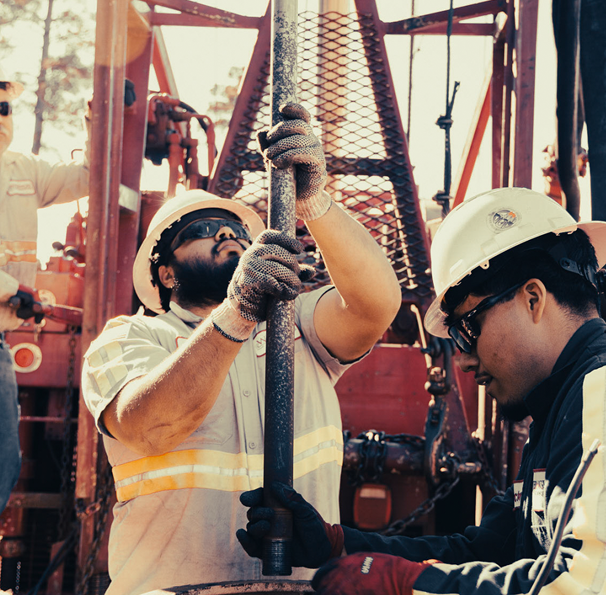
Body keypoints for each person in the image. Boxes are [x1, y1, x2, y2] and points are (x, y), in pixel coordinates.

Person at [238, 186, 606, 595]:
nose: (462, 360)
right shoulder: (562, 411)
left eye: (466, 329)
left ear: (533, 299)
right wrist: (339, 545)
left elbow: (599, 587)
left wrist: (411, 586)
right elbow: (490, 553)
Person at [80, 102, 402, 595]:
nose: (226, 234)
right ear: (165, 273)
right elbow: (149, 423)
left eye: (236, 231)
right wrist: (238, 311)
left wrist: (313, 202)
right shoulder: (130, 340)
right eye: (201, 231)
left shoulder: (297, 327)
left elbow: (376, 304)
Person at [0, 64, 90, 515]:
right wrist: (10, 288)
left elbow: (88, 177)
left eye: (4, 108)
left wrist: (100, 119)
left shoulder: (23, 169)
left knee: (5, 462)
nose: (1, 118)